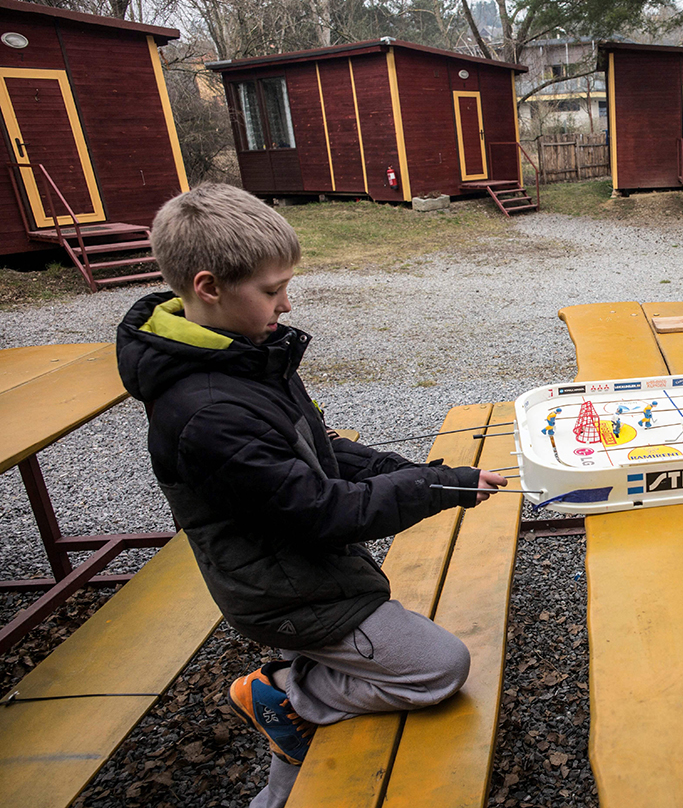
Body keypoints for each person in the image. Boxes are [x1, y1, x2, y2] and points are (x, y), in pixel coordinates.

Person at [115, 183, 507, 808]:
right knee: (441, 668)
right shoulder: (207, 414)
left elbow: (317, 450)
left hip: (303, 571)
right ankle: (286, 693)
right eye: (272, 292)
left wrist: (425, 471)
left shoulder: (244, 357)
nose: (286, 304)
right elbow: (322, 512)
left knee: (322, 729)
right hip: (283, 593)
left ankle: (285, 748)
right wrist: (436, 486)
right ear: (209, 286)